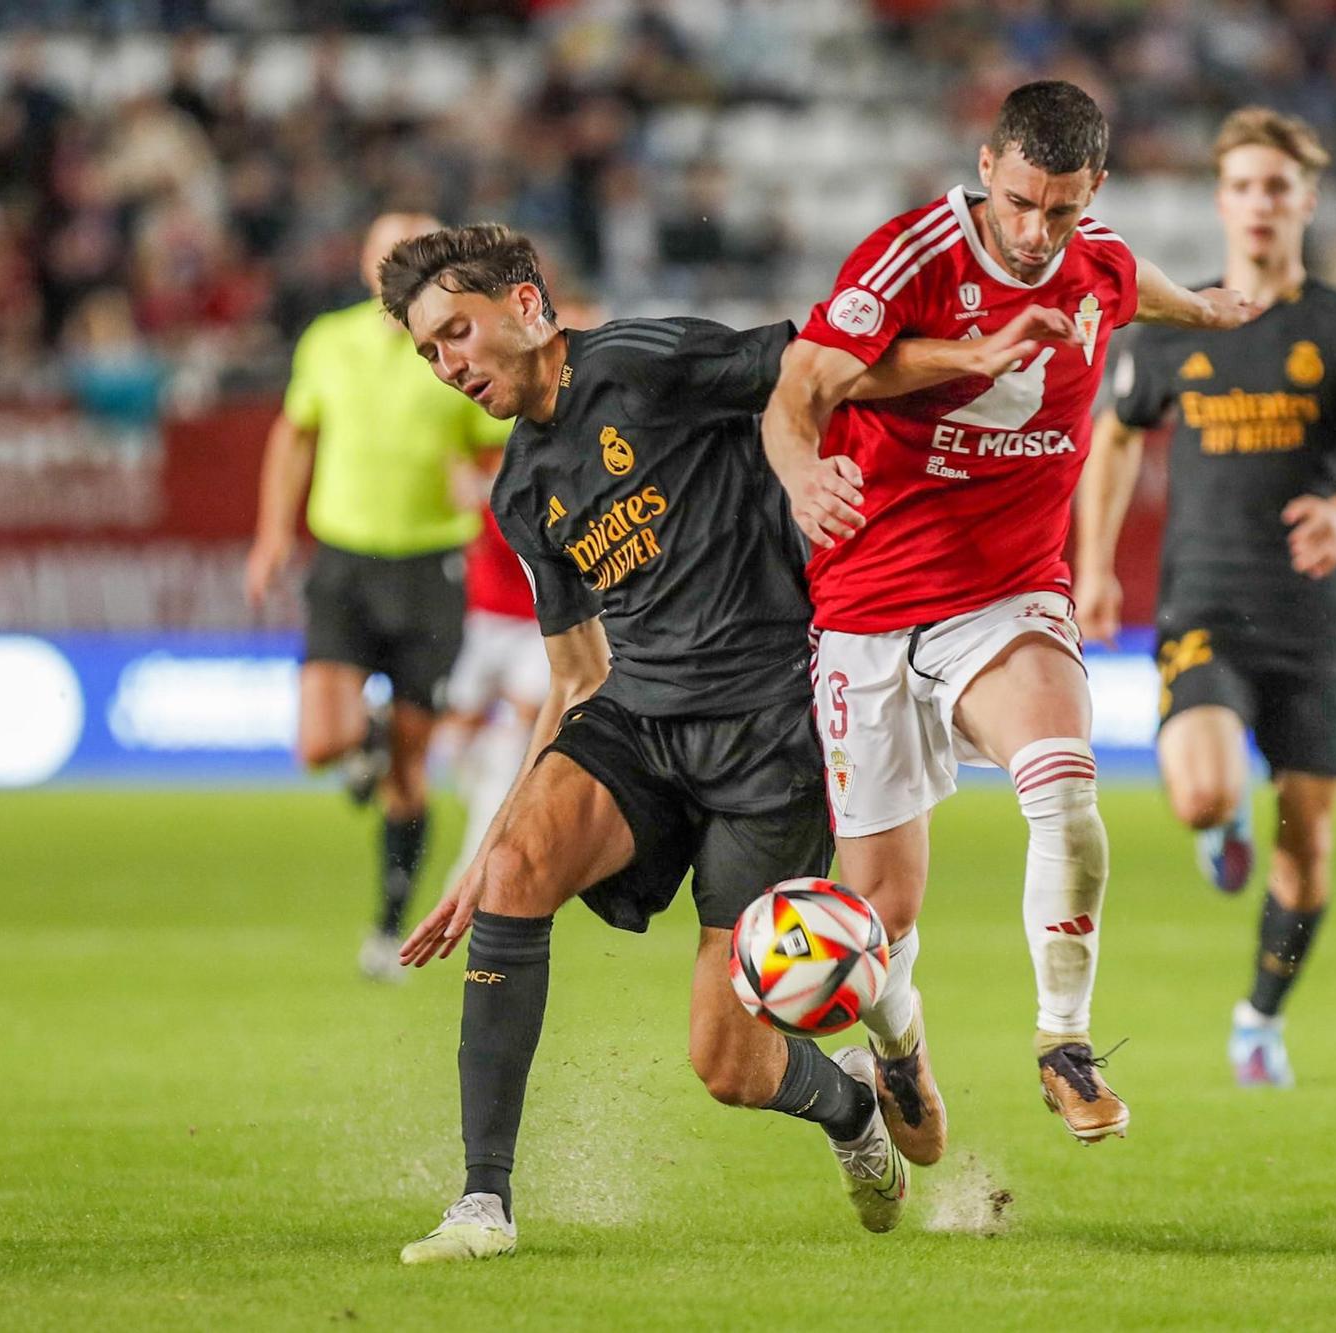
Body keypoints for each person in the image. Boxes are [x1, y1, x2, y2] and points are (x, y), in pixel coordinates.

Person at [380, 223, 1049, 1260]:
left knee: (729, 1064)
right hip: (638, 721)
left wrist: (970, 356)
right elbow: (574, 677)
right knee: (515, 866)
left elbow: (820, 369)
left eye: (454, 332)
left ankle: (849, 1109)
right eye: (428, 352)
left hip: (769, 739)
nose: (447, 365)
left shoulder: (646, 363)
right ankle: (483, 1203)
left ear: (525, 303)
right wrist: (483, 857)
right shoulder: (521, 491)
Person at [761, 79, 1261, 1153]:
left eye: (1063, 210)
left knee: (1066, 791)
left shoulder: (1096, 262)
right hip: (864, 607)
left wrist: (1210, 309)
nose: (1037, 234)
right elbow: (802, 384)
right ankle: (897, 1053)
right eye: (1022, 202)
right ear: (985, 168)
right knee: (879, 920)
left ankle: (1063, 1043)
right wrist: (806, 475)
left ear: (1094, 193)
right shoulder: (910, 257)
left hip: (1003, 594)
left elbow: (1137, 285)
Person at [1076, 107, 1336, 1089]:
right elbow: (1110, 439)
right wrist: (1095, 565)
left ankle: (1256, 1019)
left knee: (1306, 844)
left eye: (1276, 186)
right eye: (1241, 184)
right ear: (1220, 200)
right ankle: (1219, 818)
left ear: (1305, 200)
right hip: (1202, 602)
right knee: (1199, 788)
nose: (1259, 202)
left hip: (1315, 619)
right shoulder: (1175, 324)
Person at [243, 212, 512, 983]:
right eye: (387, 253)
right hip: (345, 558)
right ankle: (360, 738)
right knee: (319, 742)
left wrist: (480, 486)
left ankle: (387, 927)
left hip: (430, 568)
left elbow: (503, 451)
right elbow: (294, 436)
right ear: (367, 265)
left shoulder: (463, 349)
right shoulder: (329, 342)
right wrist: (270, 535)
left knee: (408, 768)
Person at [439, 495, 550, 888]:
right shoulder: (482, 488)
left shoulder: (514, 491)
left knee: (525, 719)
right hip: (484, 619)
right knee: (460, 727)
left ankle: (480, 846)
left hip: (533, 626)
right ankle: (483, 787)